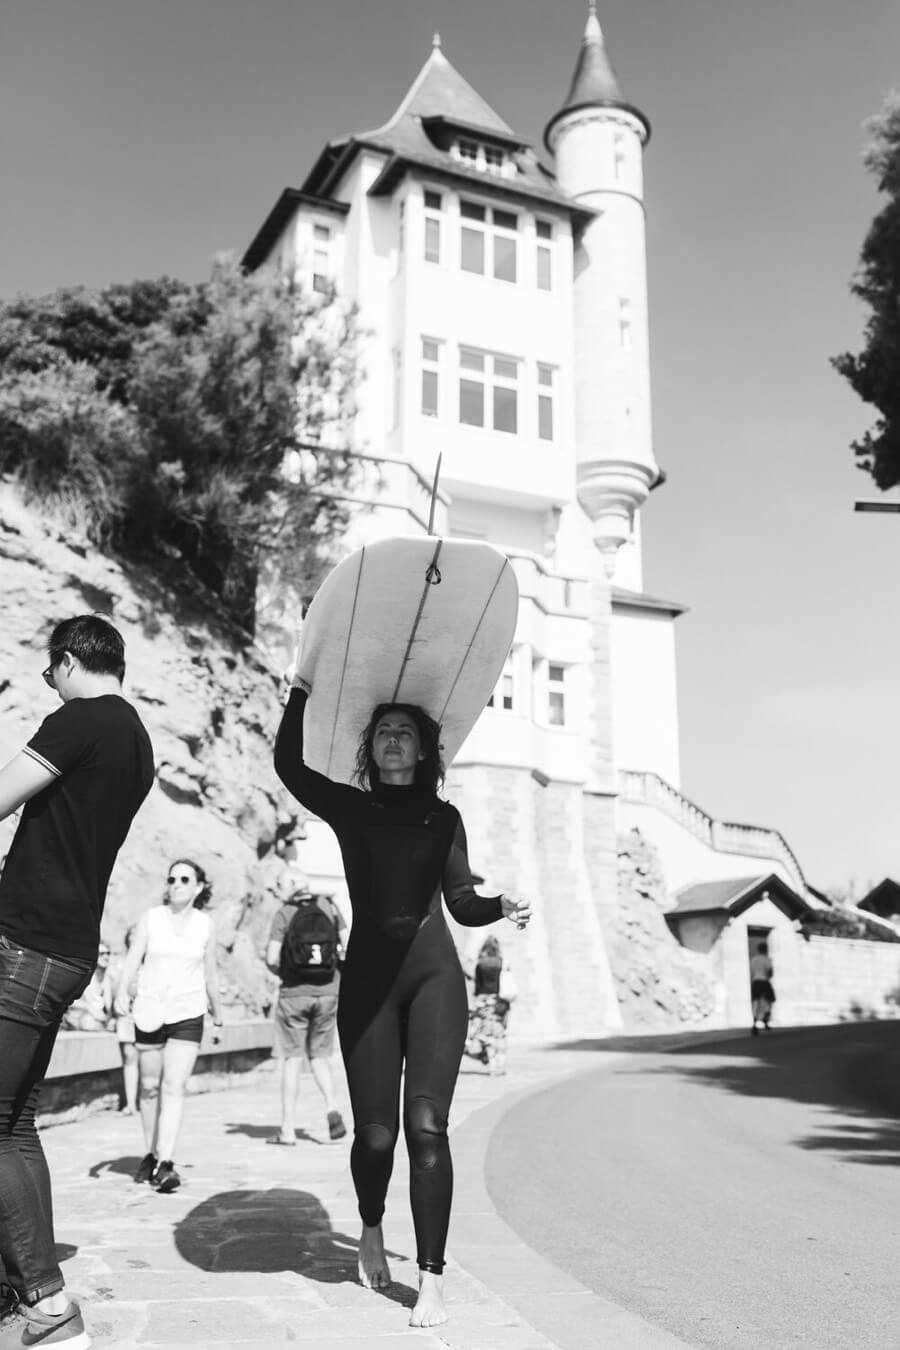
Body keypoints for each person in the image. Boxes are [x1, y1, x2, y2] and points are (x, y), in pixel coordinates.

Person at [274, 678, 531, 1329]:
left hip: (435, 981)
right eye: (383, 730)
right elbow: (288, 766)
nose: (393, 739)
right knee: (378, 1138)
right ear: (373, 746)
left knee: (426, 1128)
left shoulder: (442, 818)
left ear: (423, 750)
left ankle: (432, 1279)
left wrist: (501, 905)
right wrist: (302, 692)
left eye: (405, 731)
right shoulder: (351, 810)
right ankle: (369, 1225)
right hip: (368, 985)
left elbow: (463, 902)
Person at [0, 614, 154, 1350]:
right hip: (65, 950)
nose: (47, 686)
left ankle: (45, 1302)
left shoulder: (82, 719)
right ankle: (27, 1291)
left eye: (47, 673)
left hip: (25, 946)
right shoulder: (138, 742)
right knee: (15, 1121)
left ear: (66, 662)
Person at [114, 859, 223, 1194]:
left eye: (184, 879)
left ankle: (166, 1161)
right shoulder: (152, 918)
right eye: (172, 878)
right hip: (149, 1011)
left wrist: (218, 1014)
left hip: (188, 1013)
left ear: (199, 886)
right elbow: (134, 957)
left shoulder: (206, 925)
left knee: (174, 1087)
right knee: (149, 1087)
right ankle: (151, 1152)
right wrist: (121, 990)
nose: (176, 884)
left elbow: (211, 972)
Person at [265, 882, 347, 1145]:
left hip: (294, 995)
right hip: (327, 992)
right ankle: (332, 1107)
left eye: (278, 885)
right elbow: (347, 945)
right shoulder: (329, 906)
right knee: (320, 1057)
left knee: (292, 1060)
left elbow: (271, 957)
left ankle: (288, 1130)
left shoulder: (284, 913)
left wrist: (287, 973)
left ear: (287, 886)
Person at [111, 928, 139, 1114]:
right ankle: (130, 1103)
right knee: (130, 1057)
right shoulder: (121, 965)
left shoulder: (152, 963)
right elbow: (114, 993)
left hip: (149, 1015)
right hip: (127, 1015)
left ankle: (147, 1100)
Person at [62, 941, 115, 1031]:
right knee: (89, 1022)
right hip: (82, 1015)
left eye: (108, 953)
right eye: (101, 954)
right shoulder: (84, 975)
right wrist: (88, 1007)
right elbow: (67, 999)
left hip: (102, 1017)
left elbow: (109, 1005)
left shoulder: (110, 976)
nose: (106, 957)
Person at [749, 939, 775, 1035]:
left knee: (756, 1002)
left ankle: (755, 1023)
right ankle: (765, 1017)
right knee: (770, 1000)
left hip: (756, 981)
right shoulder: (766, 959)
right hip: (764, 981)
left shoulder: (754, 960)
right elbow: (770, 972)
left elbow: (752, 972)